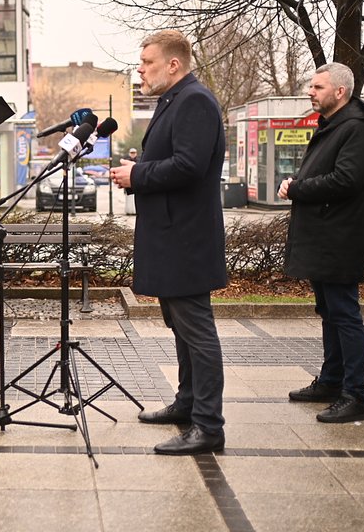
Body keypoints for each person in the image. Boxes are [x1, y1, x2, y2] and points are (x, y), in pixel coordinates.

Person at [110, 30, 227, 455]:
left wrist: (137, 176)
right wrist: (140, 167)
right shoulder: (175, 100)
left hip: (186, 240)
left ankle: (209, 425)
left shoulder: (194, 100)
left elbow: (191, 166)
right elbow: (175, 159)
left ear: (173, 64)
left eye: (147, 62)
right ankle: (187, 404)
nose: (140, 69)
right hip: (173, 237)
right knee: (181, 329)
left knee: (197, 331)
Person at [280, 63, 364, 423]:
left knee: (344, 314)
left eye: (317, 86)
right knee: (329, 313)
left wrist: (297, 188)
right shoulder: (333, 125)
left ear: (340, 92)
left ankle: (355, 396)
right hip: (325, 235)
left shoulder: (356, 129)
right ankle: (331, 380)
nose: (310, 90)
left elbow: (346, 181)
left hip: (340, 237)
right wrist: (299, 181)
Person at [123, 148, 139, 215]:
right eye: (132, 153)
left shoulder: (138, 161)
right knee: (128, 198)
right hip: (128, 181)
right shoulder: (127, 160)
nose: (133, 154)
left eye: (134, 153)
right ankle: (129, 211)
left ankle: (134, 211)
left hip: (135, 181)